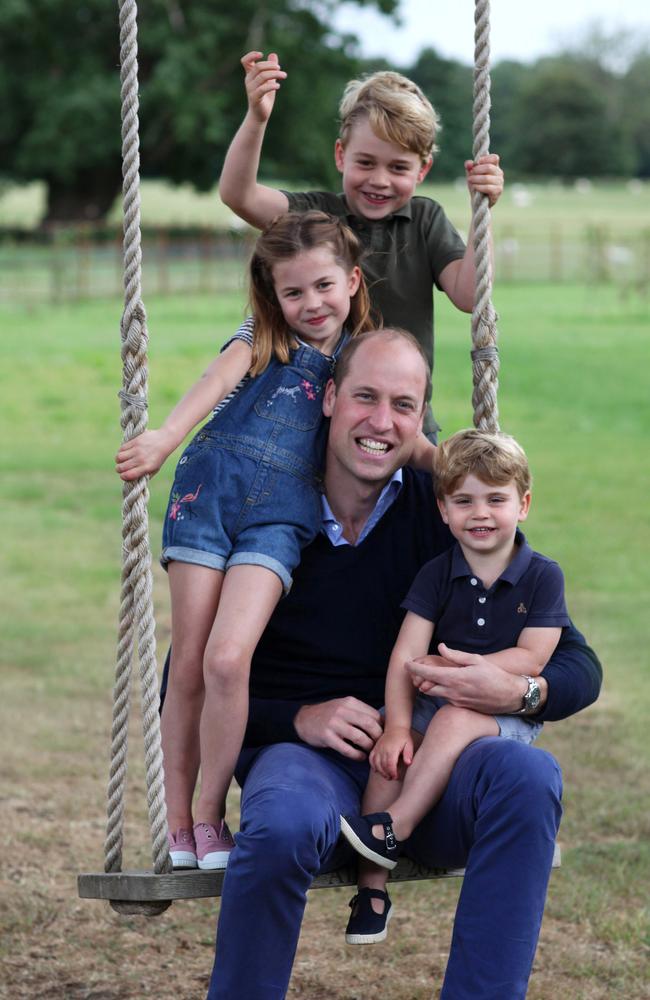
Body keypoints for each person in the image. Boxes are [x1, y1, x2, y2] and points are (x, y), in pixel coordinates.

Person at [205, 328, 602, 1000]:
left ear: (421, 421)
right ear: (329, 397)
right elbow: (186, 683)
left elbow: (577, 665)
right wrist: (298, 717)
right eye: (365, 397)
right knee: (280, 824)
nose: (381, 423)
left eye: (403, 404)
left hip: (432, 768)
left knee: (526, 775)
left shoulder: (444, 512)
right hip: (312, 763)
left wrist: (516, 690)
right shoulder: (267, 512)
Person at [114, 210, 381, 872]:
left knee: (229, 661)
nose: (311, 304)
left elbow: (391, 426)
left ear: (350, 280)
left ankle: (210, 815)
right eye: (294, 292)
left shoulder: (359, 356)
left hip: (281, 516)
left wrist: (457, 468)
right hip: (208, 493)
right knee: (191, 661)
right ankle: (179, 825)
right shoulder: (262, 334)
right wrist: (164, 437)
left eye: (323, 286)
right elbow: (216, 381)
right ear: (274, 295)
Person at [339, 428, 571, 944]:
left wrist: (469, 674)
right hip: (433, 697)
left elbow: (534, 656)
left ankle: (396, 825)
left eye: (496, 499)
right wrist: (397, 727)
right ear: (443, 510)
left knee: (454, 717)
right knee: (388, 756)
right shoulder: (437, 573)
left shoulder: (542, 577)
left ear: (523, 504)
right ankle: (372, 888)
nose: (481, 513)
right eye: (464, 501)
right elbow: (405, 655)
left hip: (502, 710)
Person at [218, 53, 505, 438]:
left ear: (422, 171)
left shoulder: (425, 221)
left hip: (404, 424)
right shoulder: (316, 216)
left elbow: (469, 295)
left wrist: (480, 212)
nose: (380, 180)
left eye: (398, 168)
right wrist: (257, 118)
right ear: (341, 155)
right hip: (318, 426)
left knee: (420, 495)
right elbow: (240, 195)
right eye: (366, 163)